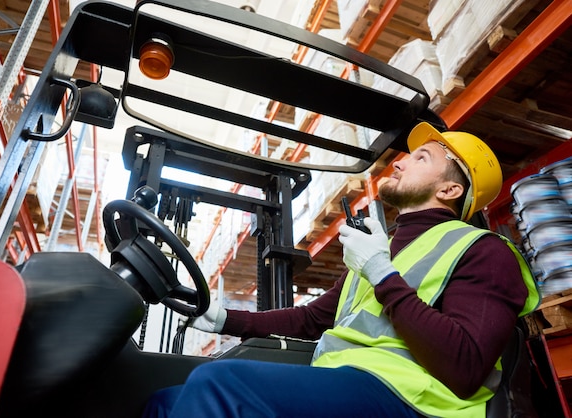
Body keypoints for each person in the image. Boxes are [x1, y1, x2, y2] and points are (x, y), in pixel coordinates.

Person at [142, 122, 540, 418]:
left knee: (218, 384)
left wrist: (382, 274)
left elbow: (466, 366)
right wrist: (225, 318)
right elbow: (311, 318)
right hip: (346, 381)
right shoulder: (381, 249)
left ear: (450, 190)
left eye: (422, 158)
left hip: (413, 399)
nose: (401, 162)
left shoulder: (484, 252)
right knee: (163, 401)